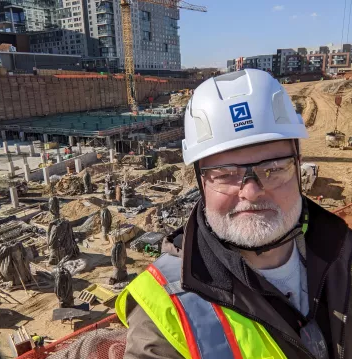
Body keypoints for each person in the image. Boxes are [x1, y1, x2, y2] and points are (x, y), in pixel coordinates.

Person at [115, 69, 352, 359]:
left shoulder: (345, 251)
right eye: (225, 174)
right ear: (201, 182)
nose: (251, 193)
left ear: (299, 167)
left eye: (274, 169)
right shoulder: (165, 309)